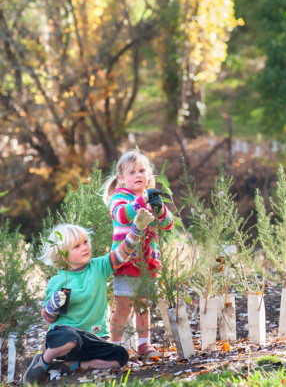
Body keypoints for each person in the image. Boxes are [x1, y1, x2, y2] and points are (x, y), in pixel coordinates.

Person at [23, 209, 155, 384]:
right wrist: (51, 306)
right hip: (63, 337)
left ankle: (70, 366)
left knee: (119, 356)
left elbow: (121, 254)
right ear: (61, 254)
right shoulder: (59, 280)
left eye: (85, 242)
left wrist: (136, 229)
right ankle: (42, 362)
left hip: (90, 338)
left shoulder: (99, 267)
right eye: (77, 246)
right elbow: (49, 318)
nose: (85, 247)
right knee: (71, 339)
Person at [102, 150, 174, 357]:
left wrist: (159, 209)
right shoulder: (120, 197)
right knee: (123, 306)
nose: (138, 175)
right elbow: (123, 216)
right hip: (126, 260)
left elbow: (168, 225)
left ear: (149, 175)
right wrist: (142, 201)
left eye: (142, 170)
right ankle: (114, 346)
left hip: (148, 261)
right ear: (121, 178)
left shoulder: (151, 197)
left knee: (143, 305)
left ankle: (144, 343)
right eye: (132, 172)